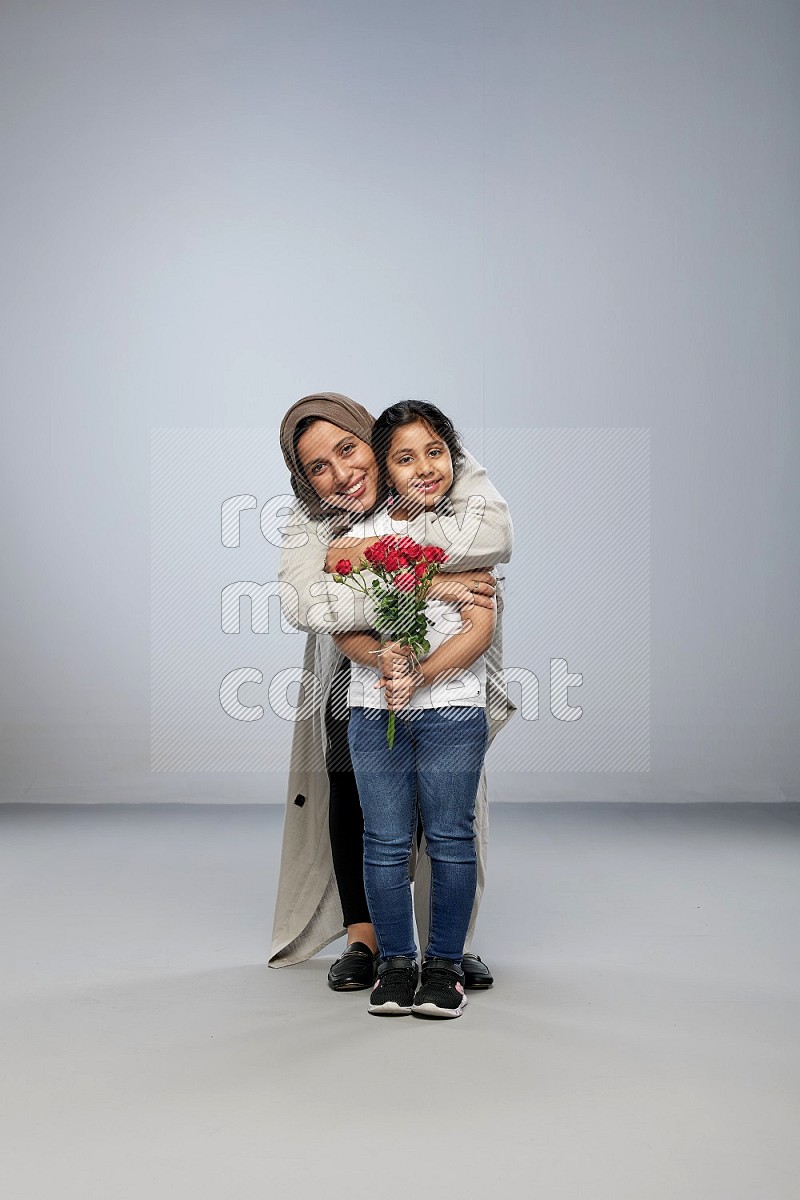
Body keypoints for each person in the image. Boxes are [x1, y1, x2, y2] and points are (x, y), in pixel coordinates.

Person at [268, 392, 515, 990]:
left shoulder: (425, 459)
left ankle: (443, 947)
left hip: (449, 670)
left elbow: (497, 533)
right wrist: (439, 581)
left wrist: (374, 562)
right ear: (303, 479)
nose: (341, 474)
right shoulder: (308, 517)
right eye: (317, 468)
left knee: (447, 808)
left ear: (372, 441)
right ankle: (365, 937)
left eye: (349, 449)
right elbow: (305, 600)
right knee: (354, 792)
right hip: (355, 668)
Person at [332, 401, 498, 1018]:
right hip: (375, 712)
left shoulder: (469, 530)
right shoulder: (359, 536)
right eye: (404, 457)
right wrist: (381, 659)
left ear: (453, 457)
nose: (424, 468)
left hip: (453, 709)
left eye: (434, 452)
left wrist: (423, 672)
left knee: (453, 836)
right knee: (384, 840)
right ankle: (397, 964)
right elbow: (341, 624)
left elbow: (479, 625)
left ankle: (445, 969)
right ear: (385, 467)